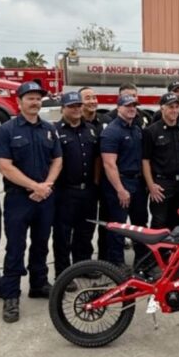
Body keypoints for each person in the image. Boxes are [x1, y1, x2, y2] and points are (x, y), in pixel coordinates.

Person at [0, 81, 62, 323]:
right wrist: (35, 187)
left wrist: (46, 186)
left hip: (45, 198)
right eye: (30, 98)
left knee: (42, 243)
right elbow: (5, 167)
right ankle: (11, 295)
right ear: (19, 101)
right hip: (18, 199)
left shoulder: (49, 128)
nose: (35, 102)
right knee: (15, 247)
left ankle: (38, 283)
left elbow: (57, 160)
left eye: (38, 98)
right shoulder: (6, 130)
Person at [52, 92, 100, 288]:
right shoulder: (54, 131)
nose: (76, 109)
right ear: (63, 108)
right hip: (65, 191)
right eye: (72, 106)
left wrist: (96, 182)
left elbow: (97, 158)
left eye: (78, 105)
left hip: (88, 190)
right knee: (63, 234)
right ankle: (63, 273)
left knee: (86, 231)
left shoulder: (90, 130)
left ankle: (83, 266)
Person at [100, 94, 149, 268]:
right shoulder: (111, 132)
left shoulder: (136, 129)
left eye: (134, 106)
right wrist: (120, 189)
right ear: (118, 108)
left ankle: (141, 262)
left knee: (140, 225)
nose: (132, 109)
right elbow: (109, 164)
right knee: (119, 227)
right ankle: (116, 264)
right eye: (128, 105)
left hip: (137, 183)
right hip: (120, 183)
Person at [143, 92, 179, 231]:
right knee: (159, 223)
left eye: (177, 107)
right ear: (162, 108)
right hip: (161, 185)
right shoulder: (151, 131)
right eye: (171, 107)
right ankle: (156, 253)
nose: (174, 110)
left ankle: (175, 253)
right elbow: (145, 160)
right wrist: (151, 185)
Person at [78, 86, 109, 261]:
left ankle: (104, 260)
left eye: (94, 97)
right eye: (87, 98)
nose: (92, 101)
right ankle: (84, 262)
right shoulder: (74, 123)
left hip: (105, 182)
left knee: (106, 223)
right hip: (84, 185)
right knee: (85, 226)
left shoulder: (106, 121)